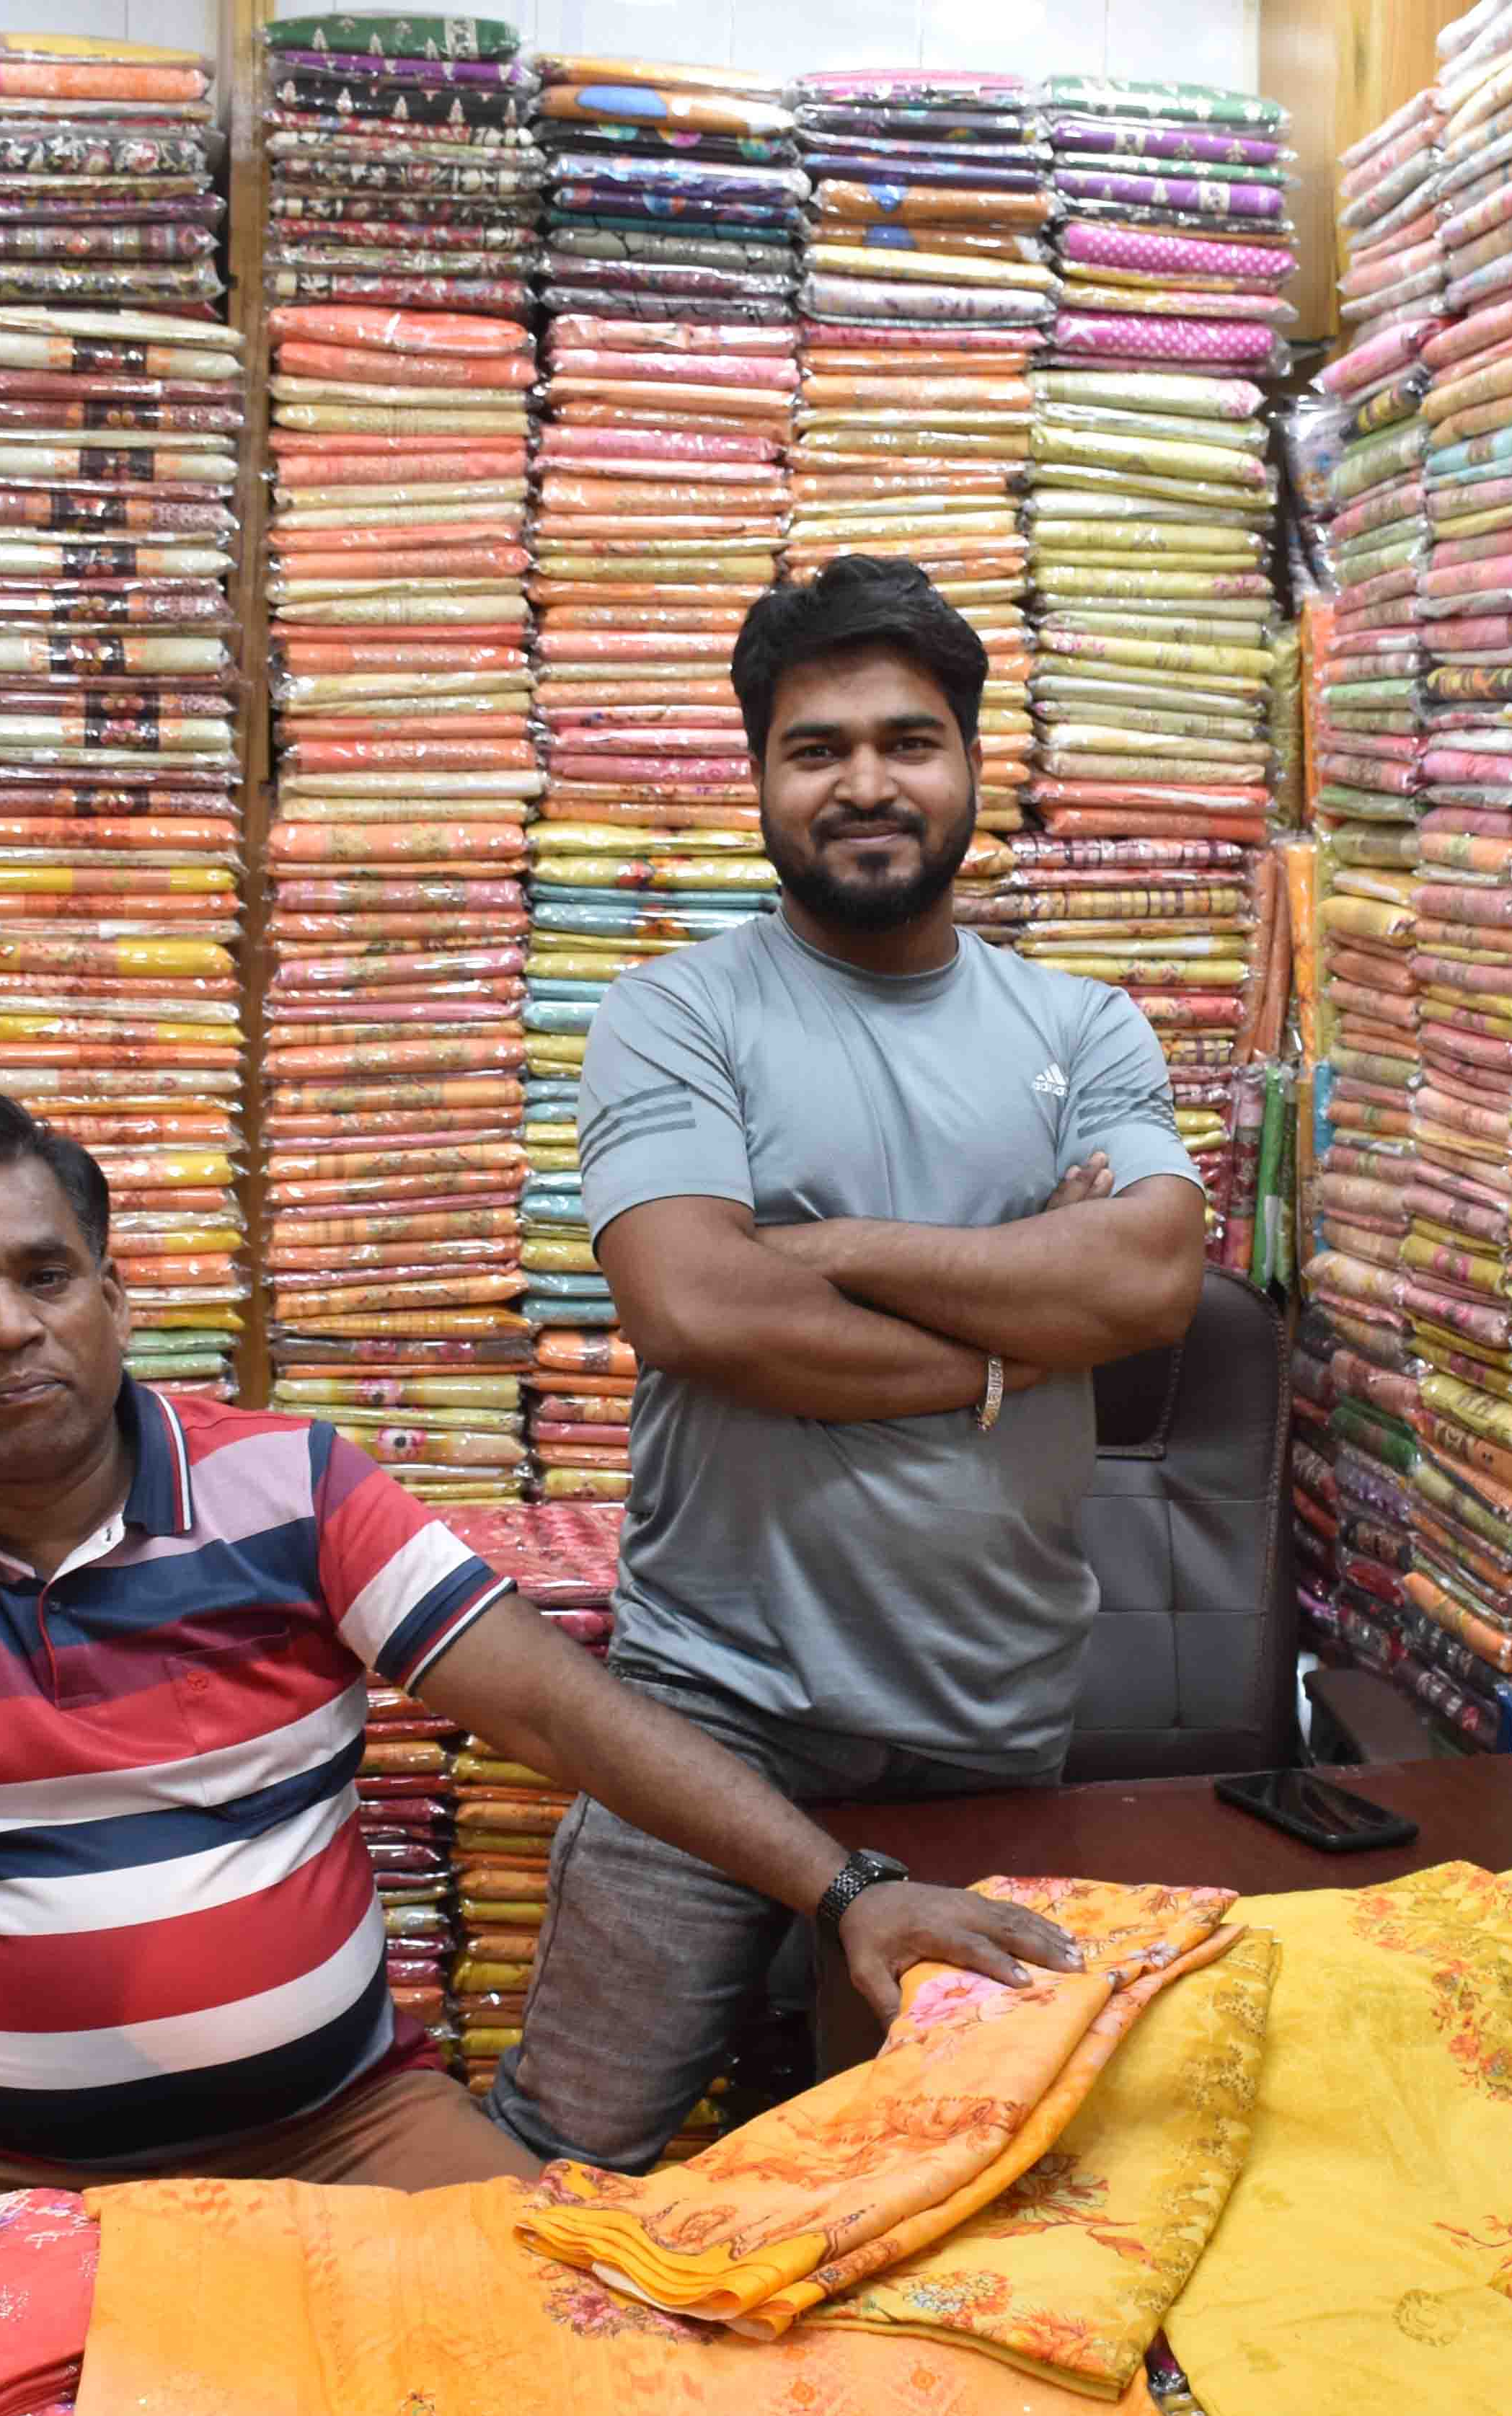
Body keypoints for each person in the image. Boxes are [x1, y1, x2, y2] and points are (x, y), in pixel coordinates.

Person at [0, 1089, 1079, 2290]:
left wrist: (847, 1889)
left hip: (348, 2131)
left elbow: (562, 1712)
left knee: (580, 2357)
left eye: (46, 1275)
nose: (11, 1325)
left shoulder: (287, 1487)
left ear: (113, 1297)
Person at [482, 556, 1211, 2170]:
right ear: (760, 776)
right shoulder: (675, 1014)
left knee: (954, 2172)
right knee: (572, 2149)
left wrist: (824, 1245)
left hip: (993, 1708)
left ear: (971, 765)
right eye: (818, 748)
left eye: (909, 741)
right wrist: (1018, 1338)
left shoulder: (1085, 1026)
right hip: (716, 1707)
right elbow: (699, 1311)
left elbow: (1153, 1278)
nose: (867, 784)